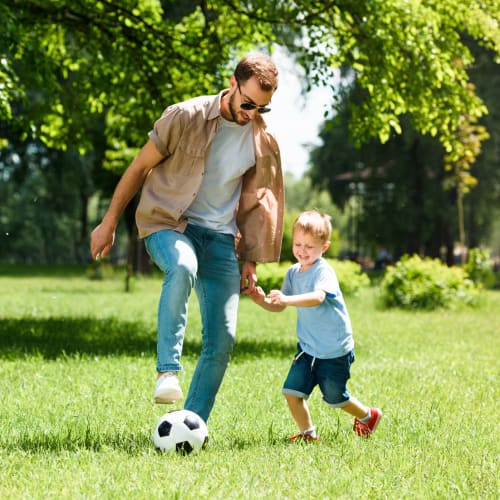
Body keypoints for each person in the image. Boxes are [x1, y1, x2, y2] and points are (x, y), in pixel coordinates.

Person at [90, 53, 284, 423]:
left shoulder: (264, 139)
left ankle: (190, 426)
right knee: (182, 266)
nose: (251, 114)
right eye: (247, 103)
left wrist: (251, 259)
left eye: (262, 108)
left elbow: (259, 202)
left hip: (221, 239)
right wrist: (109, 221)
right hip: (169, 222)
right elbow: (139, 166)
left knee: (223, 340)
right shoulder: (185, 116)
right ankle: (167, 371)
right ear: (232, 83)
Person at [249, 210, 382, 440]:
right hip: (308, 348)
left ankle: (368, 416)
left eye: (310, 246)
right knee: (291, 392)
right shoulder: (293, 273)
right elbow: (279, 306)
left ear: (324, 247)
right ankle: (308, 434)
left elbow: (318, 297)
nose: (302, 250)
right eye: (298, 244)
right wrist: (262, 301)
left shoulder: (323, 271)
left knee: (335, 398)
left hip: (334, 350)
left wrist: (287, 299)